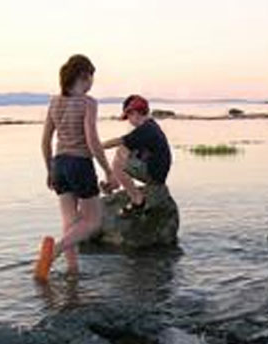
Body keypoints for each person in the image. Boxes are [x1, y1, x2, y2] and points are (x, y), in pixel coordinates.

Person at [34, 54, 118, 281]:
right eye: (91, 77)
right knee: (93, 222)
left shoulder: (54, 102)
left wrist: (49, 169)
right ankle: (54, 252)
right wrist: (108, 171)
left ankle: (72, 271)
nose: (92, 83)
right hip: (79, 164)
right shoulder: (88, 103)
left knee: (70, 223)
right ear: (84, 76)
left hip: (59, 164)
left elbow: (45, 141)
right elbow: (91, 140)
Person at [100, 95, 172, 216]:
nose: (129, 120)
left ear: (135, 113)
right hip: (155, 171)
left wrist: (96, 147)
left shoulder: (146, 129)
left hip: (154, 174)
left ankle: (137, 200)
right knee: (125, 149)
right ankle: (114, 183)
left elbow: (118, 141)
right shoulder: (150, 126)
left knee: (121, 154)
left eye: (128, 116)